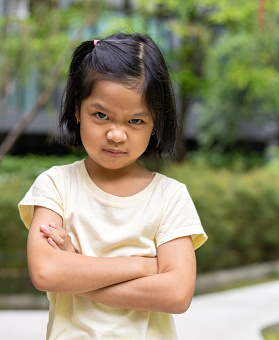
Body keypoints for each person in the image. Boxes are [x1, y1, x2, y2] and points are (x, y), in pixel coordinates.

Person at [18, 32, 207, 340]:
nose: (116, 134)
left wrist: (78, 271)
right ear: (78, 107)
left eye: (135, 121)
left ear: (156, 122)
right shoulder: (56, 186)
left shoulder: (170, 197)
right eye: (101, 115)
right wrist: (144, 266)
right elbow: (46, 272)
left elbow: (176, 294)